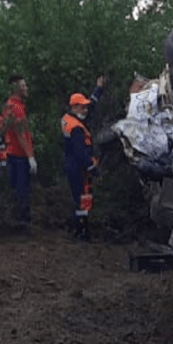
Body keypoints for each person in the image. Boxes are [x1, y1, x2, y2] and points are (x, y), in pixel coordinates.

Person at [61, 76, 105, 241]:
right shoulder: (77, 128)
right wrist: (91, 167)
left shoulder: (68, 119)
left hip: (71, 163)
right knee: (82, 197)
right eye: (83, 107)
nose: (86, 110)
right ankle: (81, 230)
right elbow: (80, 152)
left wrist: (98, 89)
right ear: (75, 107)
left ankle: (79, 227)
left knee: (79, 197)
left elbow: (91, 106)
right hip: (77, 166)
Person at [1, 75, 36, 228]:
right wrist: (30, 157)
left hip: (11, 153)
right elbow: (21, 133)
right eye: (23, 86)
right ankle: (22, 223)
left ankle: (14, 221)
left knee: (14, 189)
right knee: (22, 190)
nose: (26, 88)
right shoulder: (16, 107)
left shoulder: (8, 105)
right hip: (19, 155)